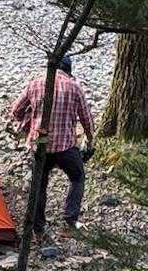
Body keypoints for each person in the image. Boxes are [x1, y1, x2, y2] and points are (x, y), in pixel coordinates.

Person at [7, 55, 96, 238]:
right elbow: (86, 119)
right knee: (77, 177)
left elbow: (16, 110)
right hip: (65, 146)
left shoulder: (36, 83)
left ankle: (38, 229)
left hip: (40, 144)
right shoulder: (74, 87)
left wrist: (29, 119)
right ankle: (70, 218)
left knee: (39, 184)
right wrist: (90, 140)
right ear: (69, 70)